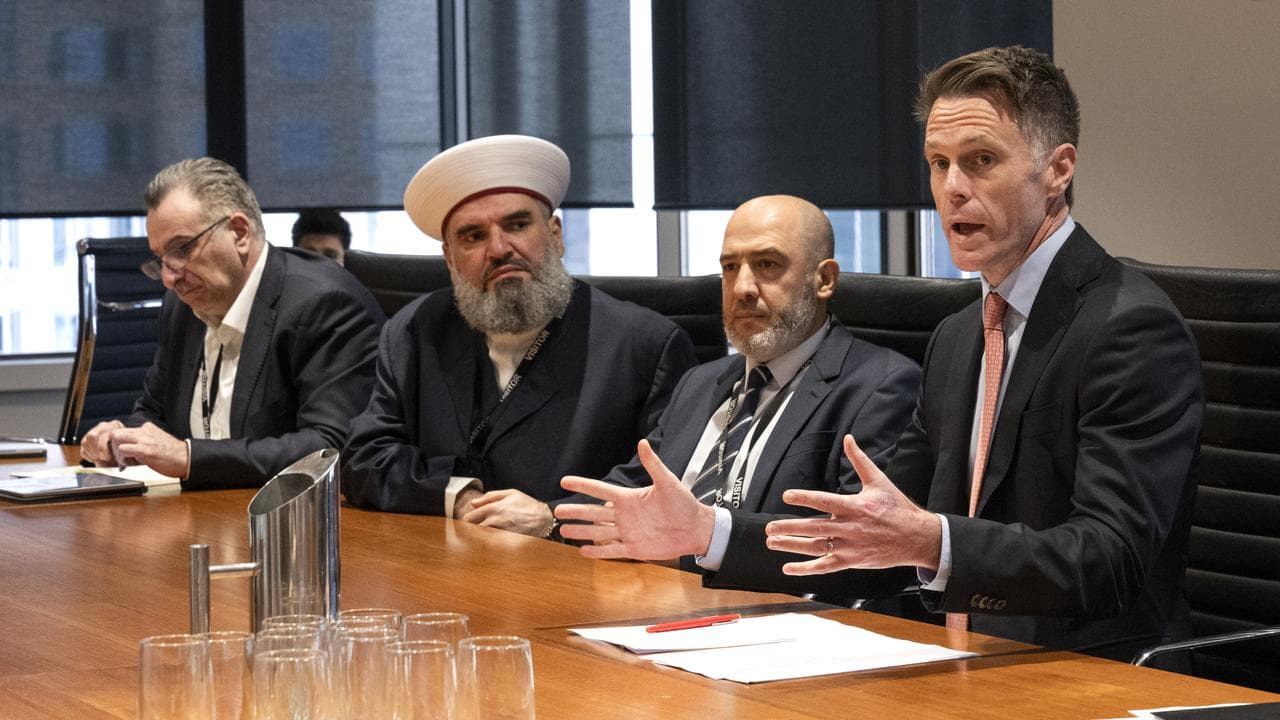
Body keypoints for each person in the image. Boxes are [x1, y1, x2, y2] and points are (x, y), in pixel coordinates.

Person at [763, 46, 1203, 664]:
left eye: (981, 161)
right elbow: (886, 530)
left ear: (1059, 169)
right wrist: (711, 534)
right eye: (938, 164)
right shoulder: (958, 336)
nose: (952, 189)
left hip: (1094, 672)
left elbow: (1110, 560)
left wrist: (934, 542)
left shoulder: (1129, 328)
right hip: (959, 664)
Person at [554, 194, 920, 601]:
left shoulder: (882, 386)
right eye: (730, 267)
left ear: (825, 279)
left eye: (767, 264)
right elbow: (633, 491)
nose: (742, 287)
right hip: (656, 601)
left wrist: (710, 538)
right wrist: (540, 517)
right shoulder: (700, 382)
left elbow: (861, 552)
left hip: (781, 626)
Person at [341, 135, 697, 538]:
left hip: (581, 575)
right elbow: (364, 458)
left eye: (517, 225)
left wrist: (554, 516)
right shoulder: (415, 331)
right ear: (449, 258)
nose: (498, 248)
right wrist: (455, 495)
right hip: (446, 566)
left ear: (556, 235)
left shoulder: (645, 344)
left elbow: (666, 481)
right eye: (473, 236)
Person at [79, 157, 385, 488]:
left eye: (182, 249)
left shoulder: (323, 305)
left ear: (239, 232)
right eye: (161, 260)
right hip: (203, 515)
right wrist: (123, 440)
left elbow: (328, 448)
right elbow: (155, 413)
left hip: (290, 525)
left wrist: (190, 458)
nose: (169, 278)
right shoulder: (181, 307)